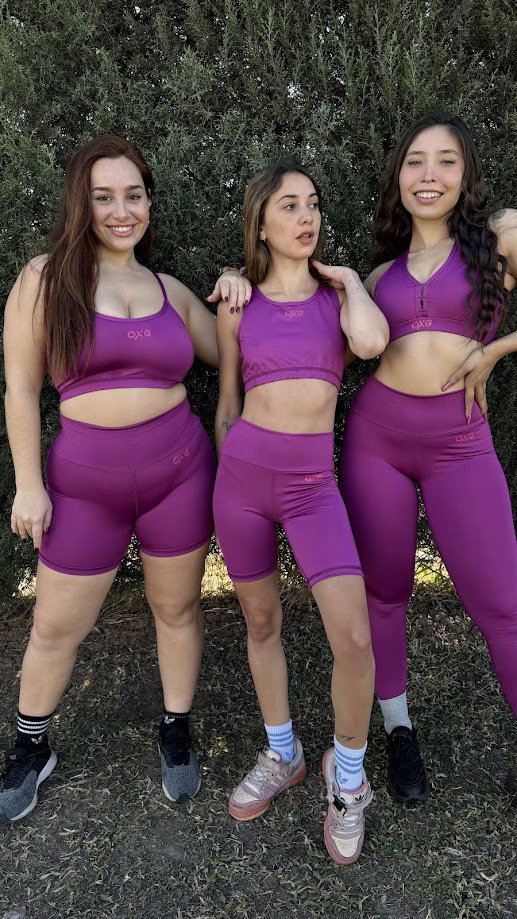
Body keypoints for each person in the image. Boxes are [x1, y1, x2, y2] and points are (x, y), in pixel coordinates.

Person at [1, 135, 249, 821]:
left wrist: (236, 284)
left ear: (148, 203)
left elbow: (232, 346)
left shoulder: (168, 290)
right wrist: (28, 485)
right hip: (84, 489)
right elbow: (20, 388)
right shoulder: (45, 279)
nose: (120, 210)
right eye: (103, 197)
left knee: (177, 608)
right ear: (80, 204)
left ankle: (175, 726)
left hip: (180, 476)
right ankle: (30, 745)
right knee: (55, 625)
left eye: (133, 195)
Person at [334, 111, 517, 803]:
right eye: (415, 160)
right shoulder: (379, 272)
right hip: (375, 441)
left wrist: (496, 351)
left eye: (445, 160)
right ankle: (397, 729)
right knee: (384, 593)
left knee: (502, 603)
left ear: (465, 174)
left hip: (460, 444)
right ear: (398, 177)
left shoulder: (500, 236)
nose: (429, 174)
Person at [213, 160, 389, 864]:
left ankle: (348, 778)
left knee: (354, 637)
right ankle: (282, 752)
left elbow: (371, 344)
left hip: (313, 487)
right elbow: (227, 404)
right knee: (261, 622)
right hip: (241, 483)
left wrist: (350, 282)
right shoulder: (237, 302)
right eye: (288, 206)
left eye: (312, 203)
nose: (305, 216)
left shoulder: (340, 298)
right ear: (260, 222)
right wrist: (226, 474)